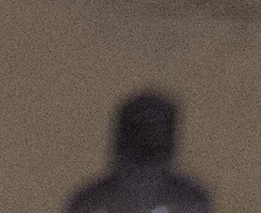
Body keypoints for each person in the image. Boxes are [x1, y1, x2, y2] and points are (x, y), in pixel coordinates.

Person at [62, 89, 210, 213]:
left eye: (155, 127)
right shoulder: (90, 203)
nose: (149, 135)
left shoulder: (191, 202)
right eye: (141, 126)